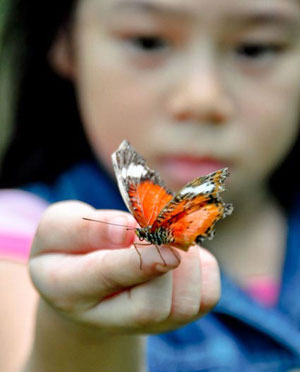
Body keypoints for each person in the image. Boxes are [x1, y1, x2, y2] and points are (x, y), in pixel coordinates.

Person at [0, 0, 300, 371]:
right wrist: (79, 331)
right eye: (147, 41)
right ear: (65, 41)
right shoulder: (16, 235)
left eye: (255, 48)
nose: (201, 99)